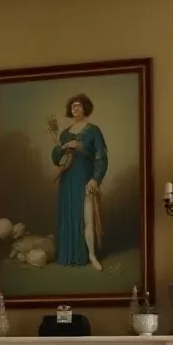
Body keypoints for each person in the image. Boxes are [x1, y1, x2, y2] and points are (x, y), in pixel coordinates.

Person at [50, 93, 108, 268]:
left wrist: (95, 180)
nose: (75, 109)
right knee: (69, 217)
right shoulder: (65, 134)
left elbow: (101, 157)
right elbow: (56, 159)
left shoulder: (93, 130)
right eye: (73, 106)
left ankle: (91, 256)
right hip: (67, 181)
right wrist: (64, 147)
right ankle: (68, 255)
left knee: (87, 218)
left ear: (85, 109)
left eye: (79, 106)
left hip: (85, 179)